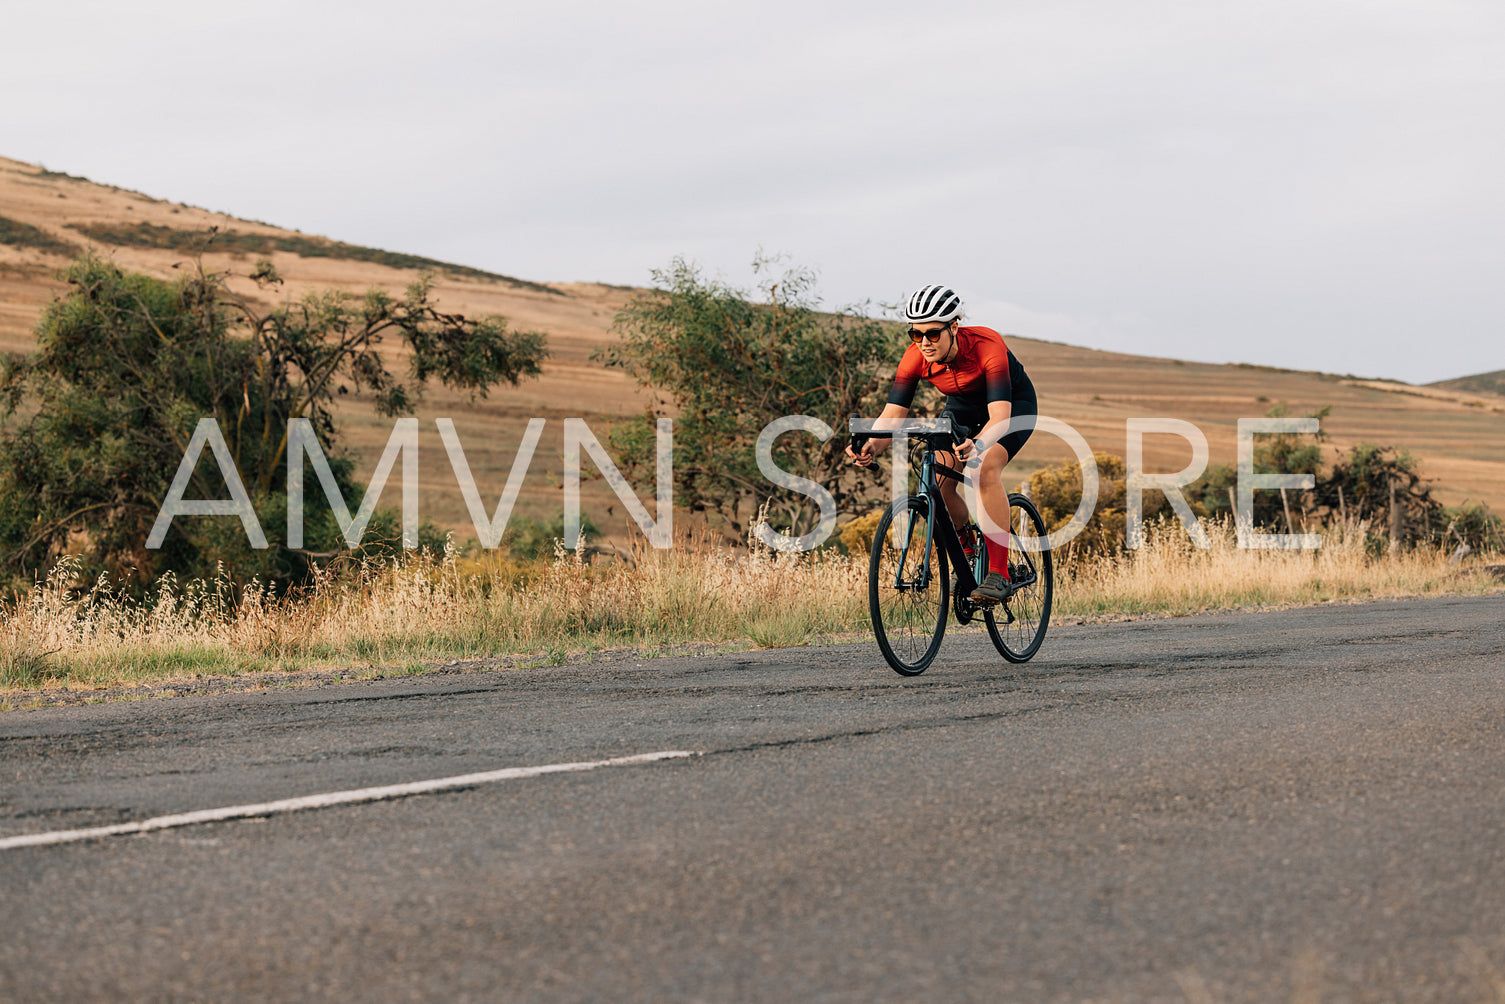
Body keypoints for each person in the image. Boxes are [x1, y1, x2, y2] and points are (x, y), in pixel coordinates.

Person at [846, 283, 1038, 603]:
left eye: (933, 334)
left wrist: (979, 443)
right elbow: (893, 414)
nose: (924, 343)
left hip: (1011, 408)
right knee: (938, 479)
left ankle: (1000, 574)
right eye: (916, 334)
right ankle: (966, 550)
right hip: (961, 408)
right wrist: (871, 445)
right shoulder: (915, 357)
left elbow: (1000, 416)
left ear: (954, 326)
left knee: (983, 470)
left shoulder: (987, 346)